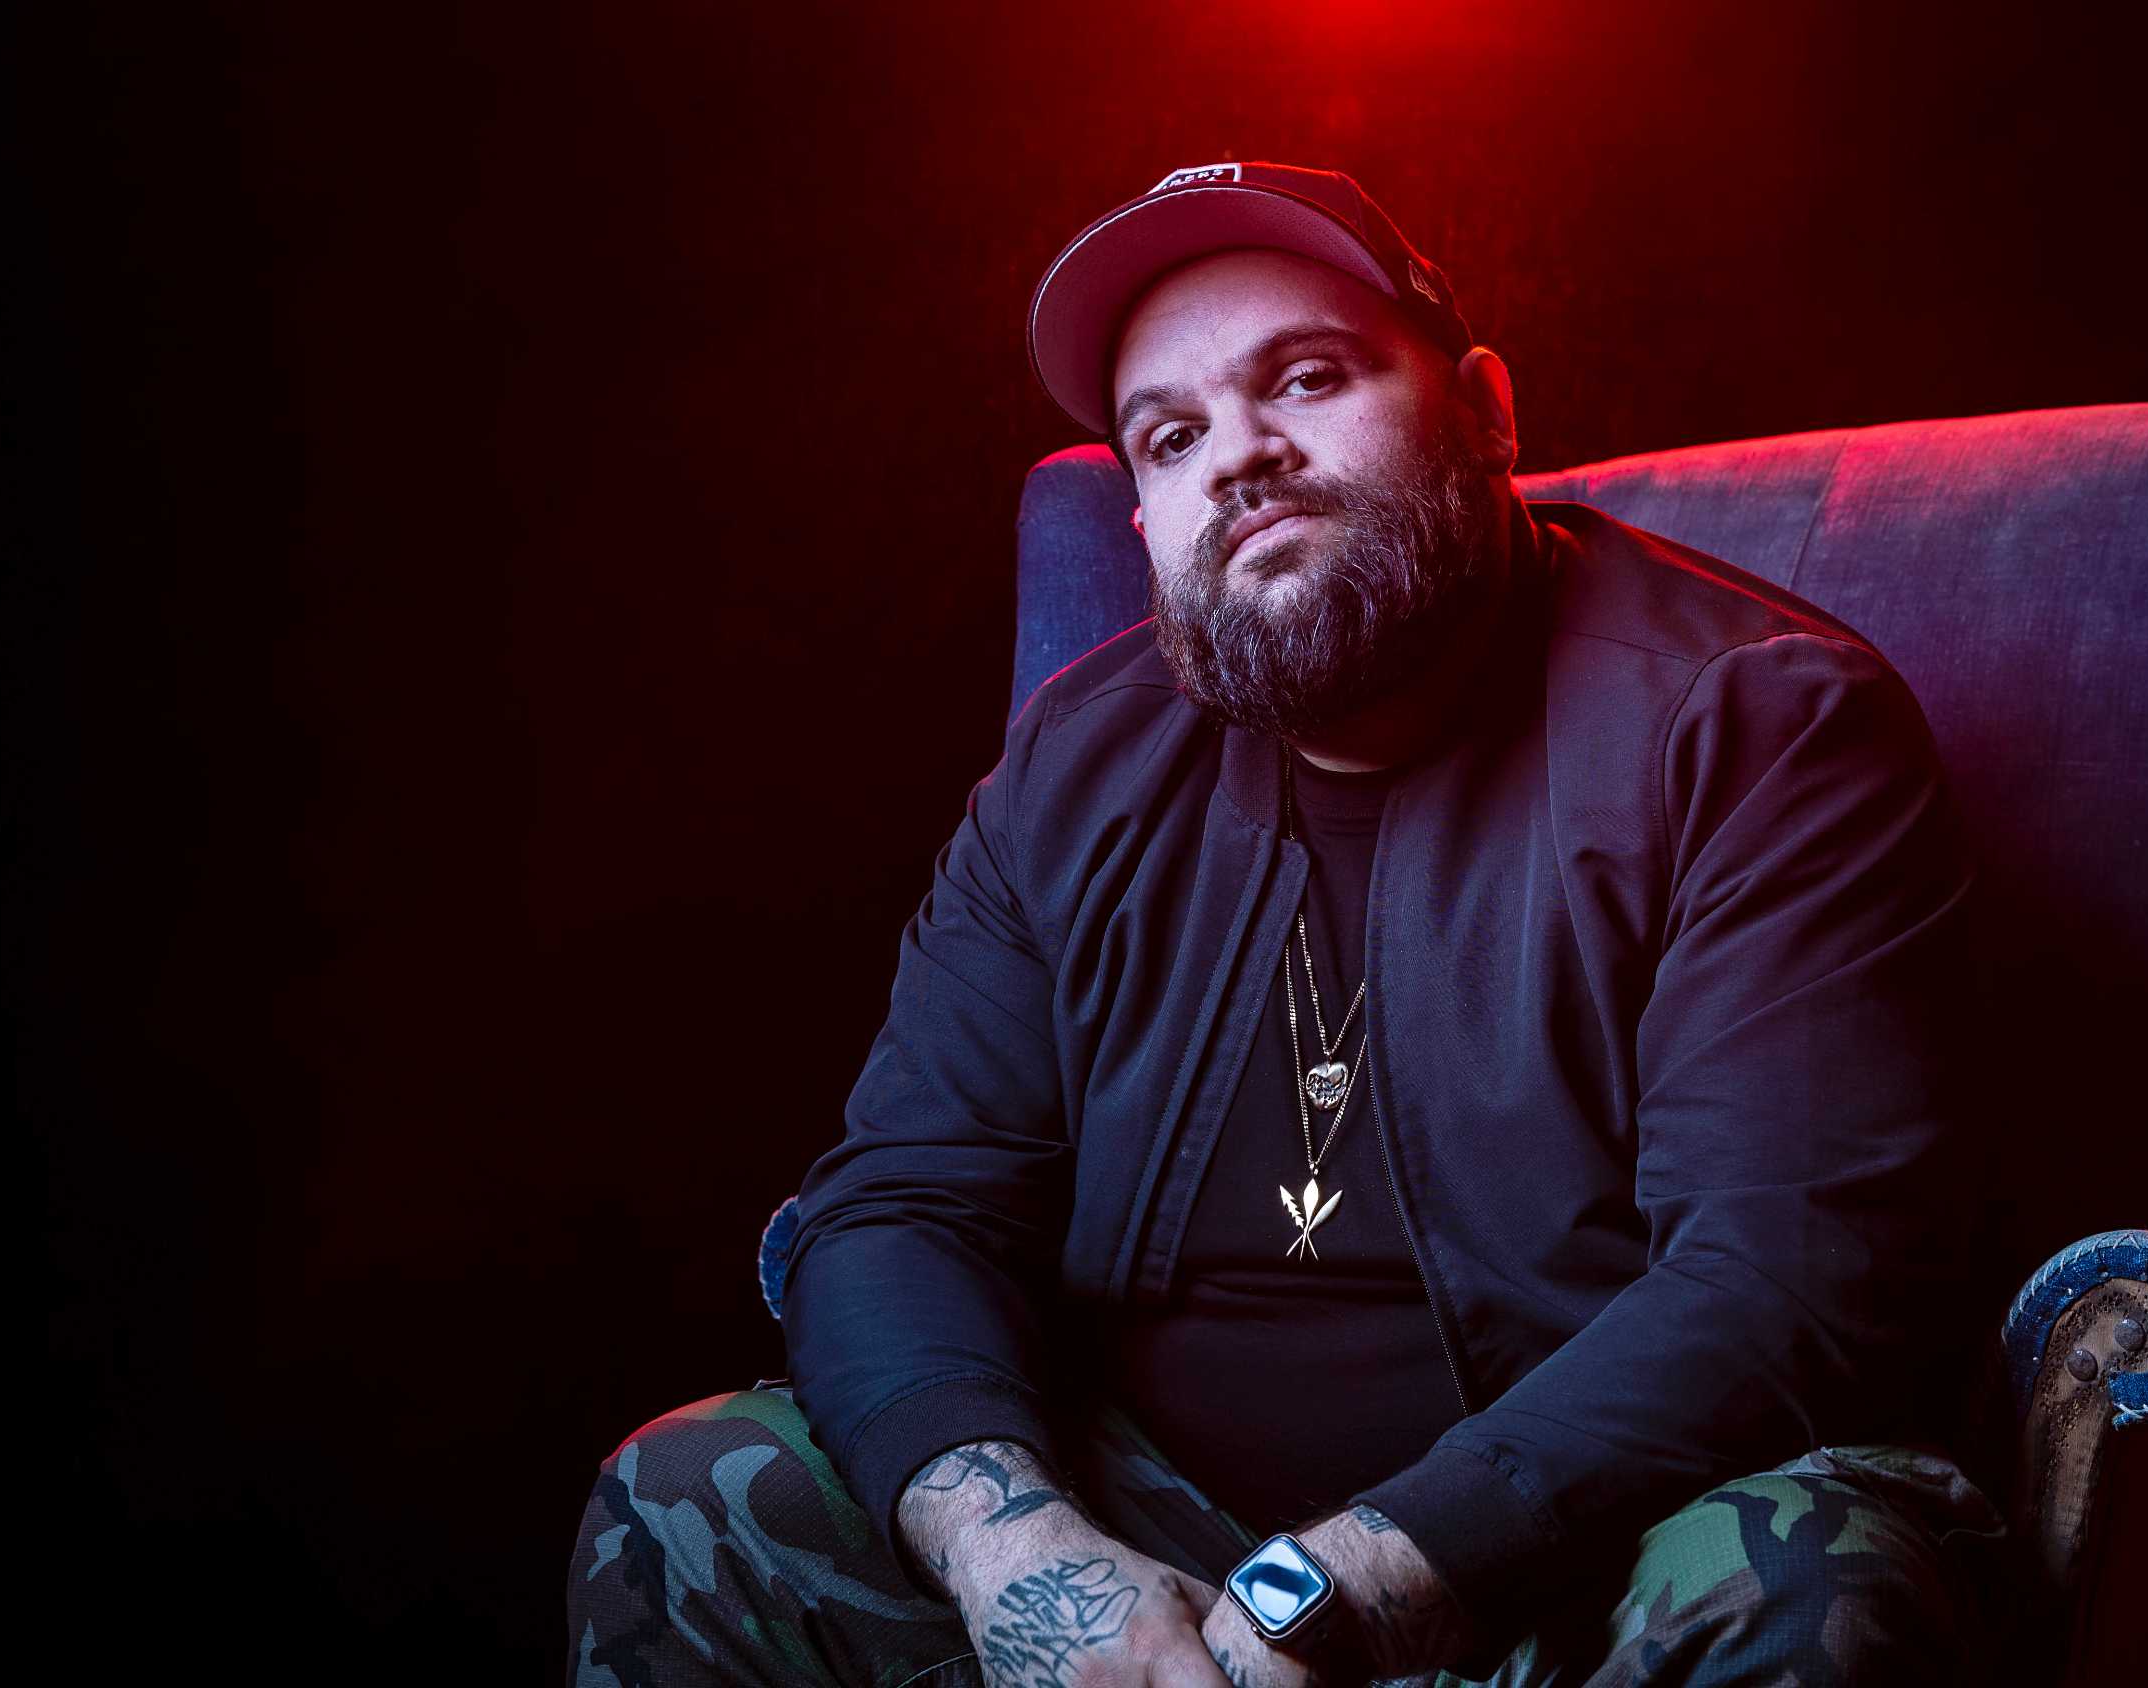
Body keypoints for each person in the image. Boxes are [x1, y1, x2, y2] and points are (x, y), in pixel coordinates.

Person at [569, 160, 2018, 1688]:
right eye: (1173, 436)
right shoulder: (1074, 767)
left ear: (1485, 408)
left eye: (1309, 379)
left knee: (1811, 1579)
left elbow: (1784, 1276)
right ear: (1144, 516)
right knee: (689, 1501)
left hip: (1578, 1542)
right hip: (1136, 1538)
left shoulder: (1756, 727)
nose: (1241, 459)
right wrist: (1031, 1564)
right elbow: (900, 1205)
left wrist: (1358, 1579)